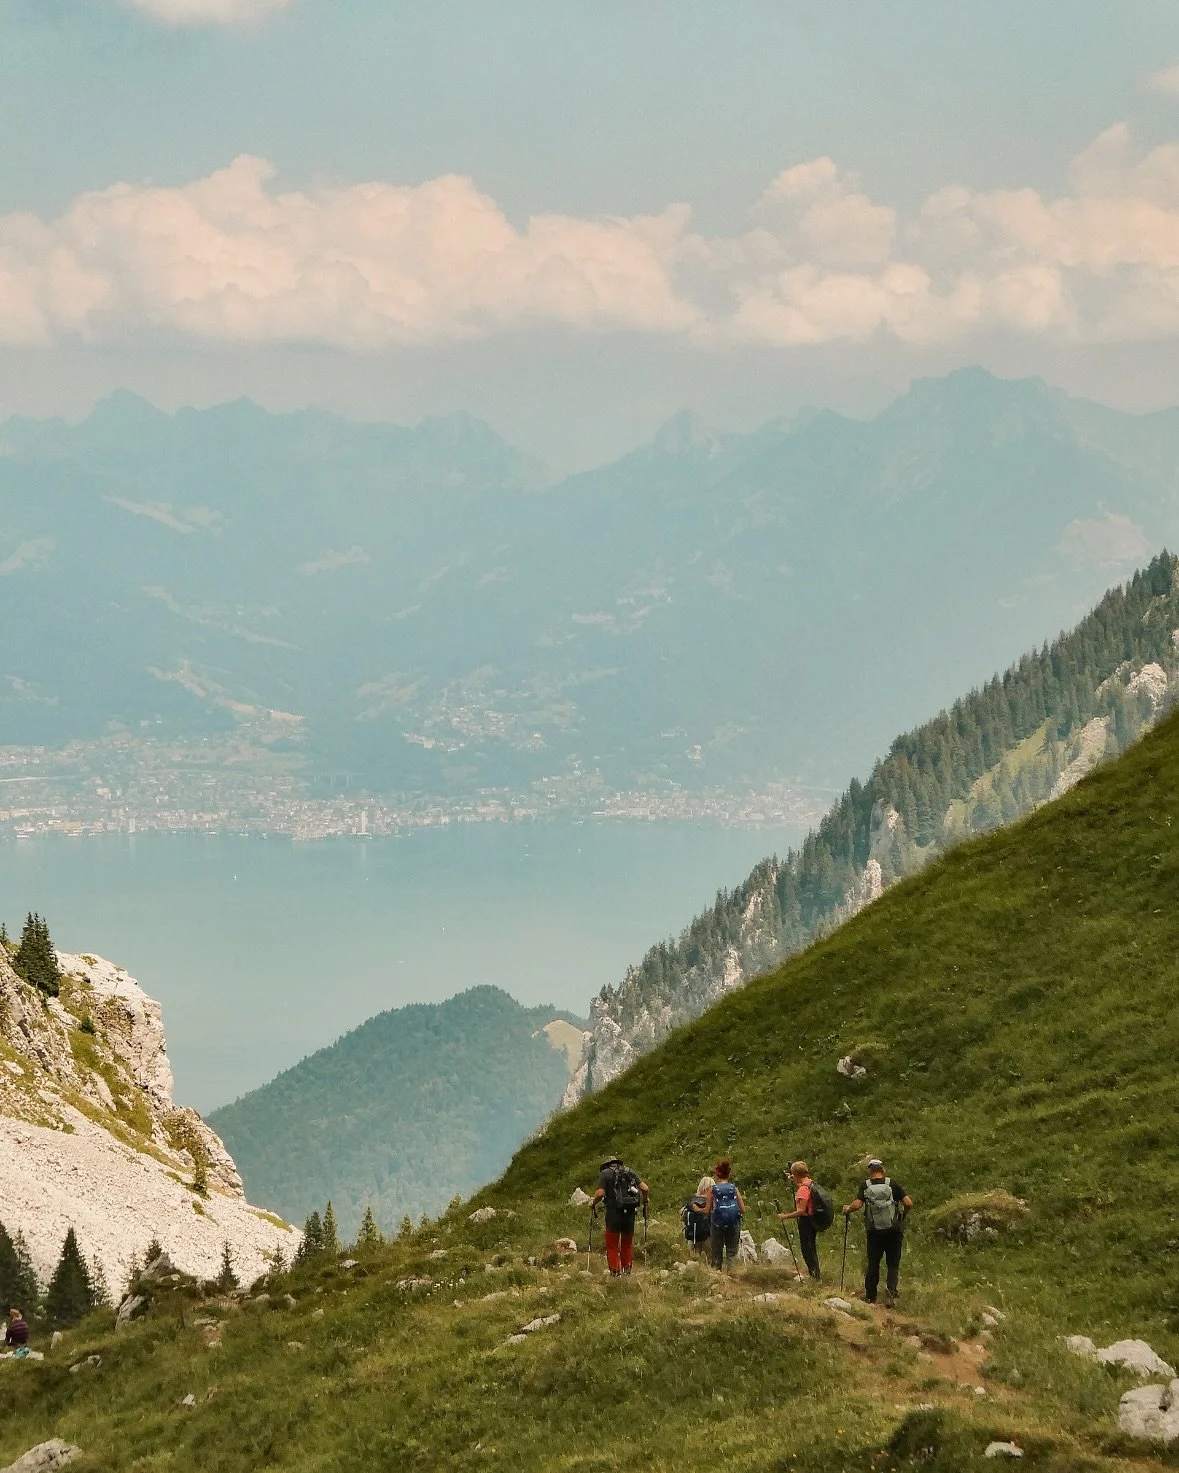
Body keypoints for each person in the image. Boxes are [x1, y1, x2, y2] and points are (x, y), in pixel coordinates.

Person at [843, 1158, 914, 1306]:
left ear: (870, 1171)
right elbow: (908, 1203)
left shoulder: (866, 1185)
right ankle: (891, 1296)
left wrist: (848, 1209)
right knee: (893, 1264)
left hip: (874, 1232)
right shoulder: (892, 1184)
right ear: (882, 1170)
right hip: (894, 1230)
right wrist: (902, 1215)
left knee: (873, 1263)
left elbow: (857, 1204)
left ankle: (870, 1297)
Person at [590, 1157, 649, 1276]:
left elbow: (600, 1193)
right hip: (630, 1212)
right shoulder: (629, 1171)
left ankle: (615, 1272)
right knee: (627, 1243)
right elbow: (645, 1188)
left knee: (612, 1244)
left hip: (614, 1213)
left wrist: (593, 1203)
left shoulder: (605, 1174)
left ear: (606, 1165)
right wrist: (645, 1200)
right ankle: (627, 1271)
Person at [778, 1160, 821, 1279]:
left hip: (806, 1221)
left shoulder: (803, 1189)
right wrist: (794, 1178)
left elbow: (801, 1210)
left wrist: (785, 1216)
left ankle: (815, 1276)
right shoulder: (810, 1183)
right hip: (813, 1219)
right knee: (811, 1247)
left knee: (807, 1249)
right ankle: (816, 1274)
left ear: (796, 1174)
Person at [699, 1159, 745, 1271]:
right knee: (731, 1252)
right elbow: (742, 1209)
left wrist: (696, 1209)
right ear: (729, 1173)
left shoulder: (713, 1189)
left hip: (717, 1224)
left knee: (716, 1251)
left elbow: (706, 1211)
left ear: (717, 1173)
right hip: (733, 1223)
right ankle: (732, 1273)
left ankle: (717, 1274)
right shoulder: (734, 1188)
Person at [682, 1175, 713, 1255]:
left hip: (693, 1236)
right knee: (710, 1259)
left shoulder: (692, 1200)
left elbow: (682, 1215)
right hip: (708, 1235)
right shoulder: (713, 1202)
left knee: (694, 1258)